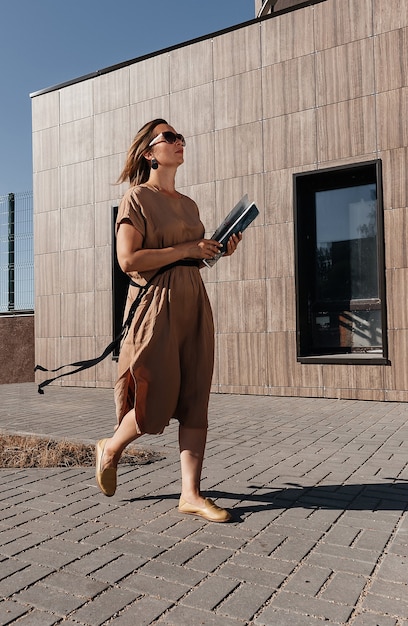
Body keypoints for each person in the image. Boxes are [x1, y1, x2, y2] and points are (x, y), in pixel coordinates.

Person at [95, 118, 241, 522]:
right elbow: (129, 260)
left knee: (196, 398)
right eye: (170, 138)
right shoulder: (137, 199)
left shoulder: (189, 205)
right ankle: (110, 448)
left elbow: (195, 256)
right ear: (149, 152)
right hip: (156, 305)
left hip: (194, 302)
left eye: (181, 137)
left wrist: (217, 250)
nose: (180, 142)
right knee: (152, 399)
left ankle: (191, 494)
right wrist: (185, 248)